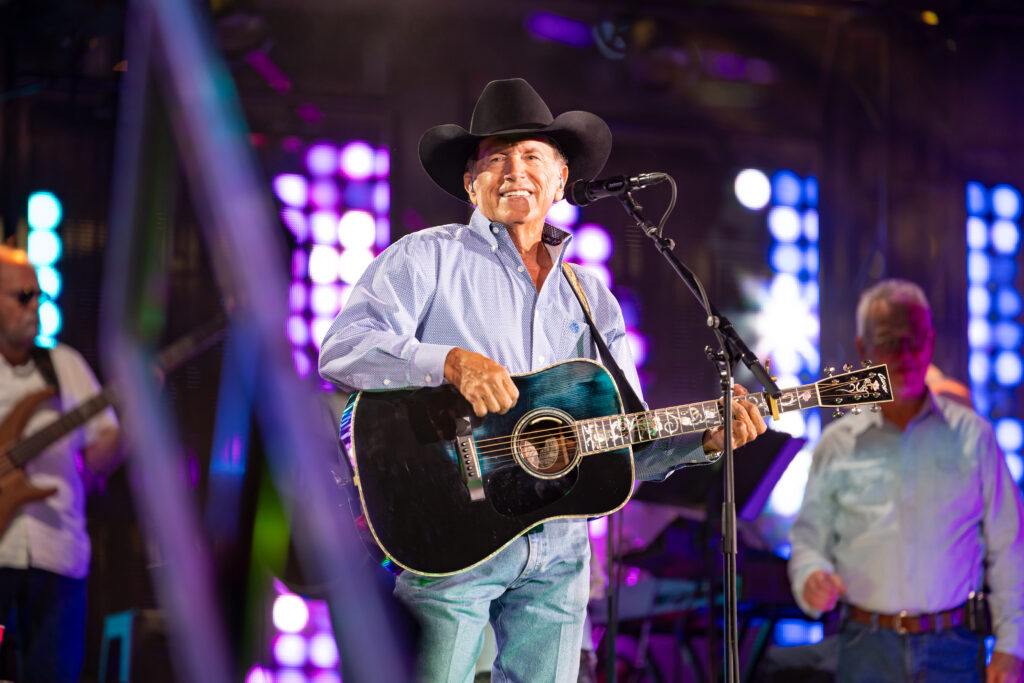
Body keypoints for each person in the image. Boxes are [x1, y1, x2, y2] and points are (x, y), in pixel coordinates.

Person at [319, 78, 767, 682]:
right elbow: (344, 351)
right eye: (496, 158)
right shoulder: (426, 258)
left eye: (532, 155)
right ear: (469, 183)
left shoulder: (591, 297)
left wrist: (704, 442)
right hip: (452, 530)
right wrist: (449, 362)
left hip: (559, 546)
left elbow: (622, 437)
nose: (514, 170)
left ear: (561, 180)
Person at [788, 278, 1024, 683]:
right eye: (888, 341)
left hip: (954, 645)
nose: (904, 354)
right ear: (863, 349)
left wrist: (1012, 646)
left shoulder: (974, 437)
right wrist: (811, 577)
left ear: (930, 341)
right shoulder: (837, 443)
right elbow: (808, 539)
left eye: (914, 339)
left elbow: (1010, 548)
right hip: (864, 647)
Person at [0, 245, 121, 682]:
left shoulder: (64, 365)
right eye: (21, 296)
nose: (34, 307)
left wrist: (131, 425)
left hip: (58, 554)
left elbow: (98, 459)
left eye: (39, 297)